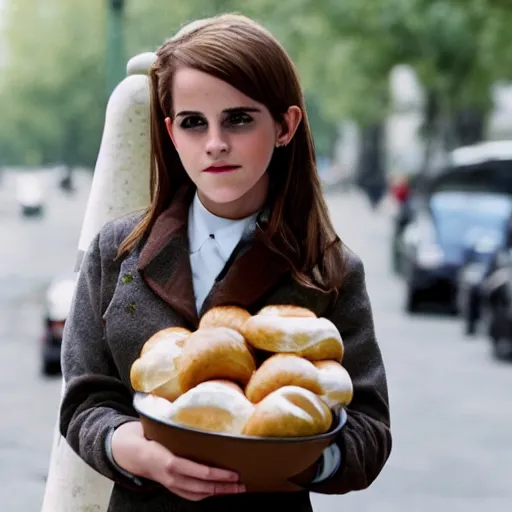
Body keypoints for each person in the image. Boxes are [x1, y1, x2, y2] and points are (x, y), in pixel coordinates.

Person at [59, 13, 391, 512]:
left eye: (238, 118)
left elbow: (369, 431)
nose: (215, 142)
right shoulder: (117, 251)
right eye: (194, 122)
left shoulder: (329, 269)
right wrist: (132, 449)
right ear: (171, 133)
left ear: (285, 125)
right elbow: (84, 399)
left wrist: (286, 455)